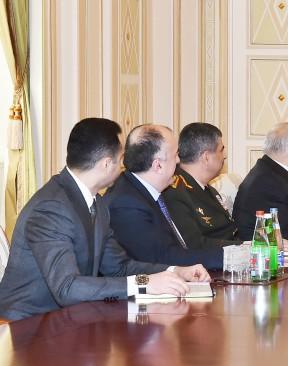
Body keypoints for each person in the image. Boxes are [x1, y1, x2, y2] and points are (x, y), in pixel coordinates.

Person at [0, 118, 208, 321]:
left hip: (69, 318)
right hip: (26, 325)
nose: (124, 165)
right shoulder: (51, 208)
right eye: (121, 158)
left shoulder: (97, 203)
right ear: (107, 164)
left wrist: (175, 271)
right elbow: (66, 287)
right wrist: (143, 283)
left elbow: (119, 268)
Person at [104, 125, 226, 271]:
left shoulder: (144, 190)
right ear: (158, 165)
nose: (179, 161)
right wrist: (230, 257)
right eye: (175, 155)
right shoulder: (127, 204)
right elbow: (164, 258)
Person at [161, 122, 242, 249]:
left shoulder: (206, 188)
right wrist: (243, 247)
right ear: (206, 157)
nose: (225, 156)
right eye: (221, 150)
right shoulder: (174, 192)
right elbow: (195, 245)